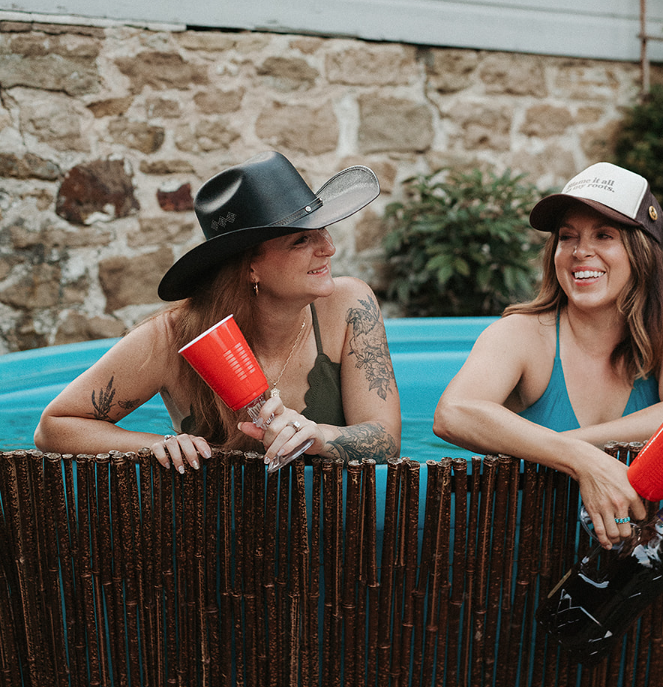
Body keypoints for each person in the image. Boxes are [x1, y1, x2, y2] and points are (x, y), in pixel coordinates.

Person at [35, 151, 401, 471]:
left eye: (323, 229)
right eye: (302, 239)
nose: (329, 248)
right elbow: (54, 425)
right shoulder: (172, 337)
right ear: (250, 268)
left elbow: (386, 439)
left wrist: (320, 437)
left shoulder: (350, 304)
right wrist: (154, 445)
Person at [434, 162, 663, 549]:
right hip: (524, 552)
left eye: (604, 235)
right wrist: (581, 460)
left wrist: (569, 445)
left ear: (642, 250)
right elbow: (454, 413)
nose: (581, 252)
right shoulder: (525, 332)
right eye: (567, 237)